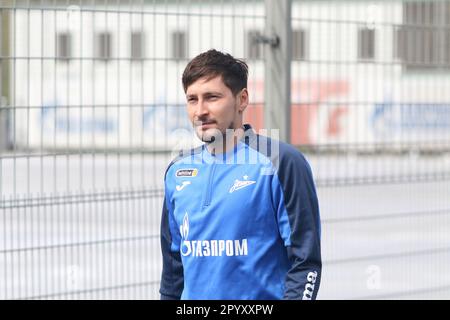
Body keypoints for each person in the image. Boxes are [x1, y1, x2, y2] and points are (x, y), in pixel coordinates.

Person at [159, 49, 322, 300]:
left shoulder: (280, 162)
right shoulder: (177, 171)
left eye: (212, 97)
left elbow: (305, 264)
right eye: (192, 99)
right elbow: (172, 272)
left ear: (242, 99)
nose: (200, 111)